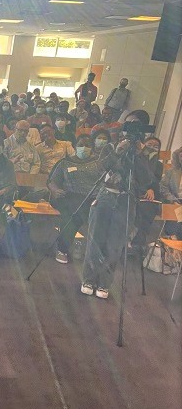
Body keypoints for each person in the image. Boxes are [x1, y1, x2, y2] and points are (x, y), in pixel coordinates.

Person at [81, 110, 153, 299]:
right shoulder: (111, 146)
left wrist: (139, 153)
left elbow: (145, 180)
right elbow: (101, 167)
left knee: (115, 243)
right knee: (95, 239)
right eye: (127, 124)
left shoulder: (145, 153)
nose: (128, 128)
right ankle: (88, 278)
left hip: (126, 199)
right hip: (106, 195)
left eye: (135, 125)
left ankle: (104, 283)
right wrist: (119, 151)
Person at [48, 134, 104, 264]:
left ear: (92, 147)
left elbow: (105, 181)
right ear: (75, 146)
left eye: (87, 145)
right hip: (68, 196)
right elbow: (52, 181)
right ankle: (64, 248)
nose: (84, 148)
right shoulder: (64, 162)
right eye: (81, 145)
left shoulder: (98, 163)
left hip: (92, 197)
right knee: (74, 212)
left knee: (79, 215)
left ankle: (69, 247)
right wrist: (55, 190)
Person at [130, 136, 163, 250]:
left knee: (149, 206)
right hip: (134, 191)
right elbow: (134, 177)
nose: (152, 148)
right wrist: (145, 190)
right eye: (149, 145)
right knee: (140, 208)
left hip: (149, 194)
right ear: (143, 145)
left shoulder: (158, 164)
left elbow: (155, 180)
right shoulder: (135, 159)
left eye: (156, 146)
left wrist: (151, 189)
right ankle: (133, 239)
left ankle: (138, 242)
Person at [160, 146, 182, 238]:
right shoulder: (171, 172)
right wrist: (173, 199)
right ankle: (174, 240)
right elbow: (162, 187)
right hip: (175, 202)